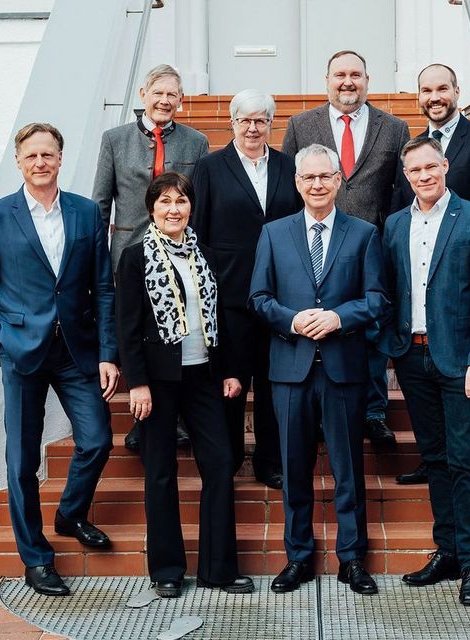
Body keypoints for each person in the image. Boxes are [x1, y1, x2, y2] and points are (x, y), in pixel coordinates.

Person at [0, 123, 118, 596]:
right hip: (21, 353)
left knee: (98, 440)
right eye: (32, 156)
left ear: (60, 158)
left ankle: (70, 514)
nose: (41, 162)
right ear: (19, 161)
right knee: (22, 460)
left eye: (48, 154)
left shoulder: (87, 212)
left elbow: (104, 289)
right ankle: (37, 558)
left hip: (76, 350)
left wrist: (108, 354)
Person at [249, 144, 387, 596]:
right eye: (308, 178)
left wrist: (339, 317)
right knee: (294, 468)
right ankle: (299, 557)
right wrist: (291, 320)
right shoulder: (274, 233)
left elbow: (377, 299)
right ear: (297, 183)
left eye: (325, 177)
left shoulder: (364, 233)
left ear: (339, 179)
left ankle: (352, 559)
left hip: (343, 368)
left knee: (348, 468)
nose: (317, 185)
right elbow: (259, 298)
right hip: (290, 368)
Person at [114, 171, 254, 597]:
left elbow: (222, 318)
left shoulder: (205, 255)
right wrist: (136, 384)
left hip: (203, 376)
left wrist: (230, 370)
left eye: (181, 201)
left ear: (191, 207)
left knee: (219, 463)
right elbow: (128, 326)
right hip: (157, 382)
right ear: (152, 209)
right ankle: (168, 570)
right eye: (165, 202)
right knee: (160, 472)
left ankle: (218, 569)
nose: (174, 209)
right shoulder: (135, 258)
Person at [379, 137, 470, 606]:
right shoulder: (394, 225)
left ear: (445, 165)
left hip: (460, 362)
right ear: (406, 176)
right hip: (412, 358)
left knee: (465, 462)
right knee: (433, 459)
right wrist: (389, 346)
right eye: (415, 171)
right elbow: (388, 290)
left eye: (431, 167)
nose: (424, 176)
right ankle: (447, 550)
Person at [391, 63, 470, 487]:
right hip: (423, 289)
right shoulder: (412, 149)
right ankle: (438, 460)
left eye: (442, 87)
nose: (434, 96)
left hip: (468, 270)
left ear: (457, 91)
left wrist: (466, 241)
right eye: (426, 90)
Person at [282, 50, 409, 446]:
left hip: (370, 246)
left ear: (368, 79)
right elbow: (291, 187)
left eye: (356, 74)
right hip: (317, 245)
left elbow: (400, 194)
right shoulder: (302, 124)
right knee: (321, 325)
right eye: (340, 74)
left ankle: (372, 412)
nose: (348, 82)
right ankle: (320, 413)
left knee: (370, 329)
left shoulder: (395, 128)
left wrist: (385, 236)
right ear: (327, 80)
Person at [93, 63, 209, 452]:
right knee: (134, 328)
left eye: (172, 94)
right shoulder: (114, 139)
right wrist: (97, 256)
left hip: (179, 254)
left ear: (181, 100)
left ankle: (173, 418)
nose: (164, 100)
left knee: (175, 330)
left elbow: (200, 205)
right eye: (157, 92)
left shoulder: (197, 142)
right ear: (143, 95)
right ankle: (141, 419)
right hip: (129, 254)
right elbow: (101, 203)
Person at [191, 90, 302, 490]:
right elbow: (197, 231)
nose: (253, 127)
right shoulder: (209, 168)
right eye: (245, 120)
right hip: (229, 292)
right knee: (231, 379)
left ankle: (270, 461)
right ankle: (230, 456)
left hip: (281, 292)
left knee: (273, 382)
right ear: (232, 123)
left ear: (271, 124)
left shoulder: (291, 167)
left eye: (261, 120)